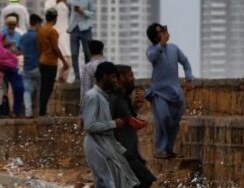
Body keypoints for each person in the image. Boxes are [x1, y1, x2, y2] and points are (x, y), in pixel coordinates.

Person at [82, 61, 138, 188]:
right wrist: (113, 123)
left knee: (117, 181)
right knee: (107, 182)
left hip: (106, 144)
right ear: (104, 77)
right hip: (96, 145)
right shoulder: (93, 96)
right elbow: (89, 126)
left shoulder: (103, 97)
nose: (115, 81)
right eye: (112, 77)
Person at [145, 23, 193, 159]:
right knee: (163, 119)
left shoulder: (174, 48)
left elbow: (185, 62)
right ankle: (160, 149)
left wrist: (188, 79)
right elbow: (152, 57)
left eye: (164, 30)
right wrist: (161, 44)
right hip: (159, 92)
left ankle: (169, 149)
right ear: (155, 37)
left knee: (174, 121)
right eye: (161, 32)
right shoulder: (151, 50)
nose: (165, 33)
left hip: (175, 91)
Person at [110, 64, 157, 188]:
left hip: (130, 150)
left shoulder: (123, 97)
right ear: (121, 77)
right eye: (131, 75)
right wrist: (142, 123)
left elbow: (128, 118)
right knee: (144, 180)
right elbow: (130, 121)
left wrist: (136, 106)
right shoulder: (116, 98)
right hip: (123, 152)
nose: (133, 79)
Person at [37, 8, 69, 116]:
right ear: (55, 18)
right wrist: (64, 61)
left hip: (42, 60)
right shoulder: (52, 31)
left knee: (43, 87)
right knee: (48, 88)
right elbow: (55, 48)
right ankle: (42, 111)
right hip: (50, 63)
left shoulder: (41, 29)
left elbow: (39, 46)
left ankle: (42, 110)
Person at [67, 0, 96, 79]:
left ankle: (88, 75)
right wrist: (68, 26)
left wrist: (83, 11)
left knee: (88, 53)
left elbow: (92, 13)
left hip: (86, 28)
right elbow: (68, 13)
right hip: (74, 28)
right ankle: (77, 76)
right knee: (74, 54)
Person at [44, 0, 73, 82]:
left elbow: (74, 16)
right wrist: (57, 1)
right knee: (56, 62)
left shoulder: (69, 2)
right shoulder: (49, 2)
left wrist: (66, 3)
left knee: (68, 61)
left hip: (66, 36)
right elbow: (48, 13)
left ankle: (62, 81)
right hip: (53, 34)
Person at [19, 13, 43, 117]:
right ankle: (40, 111)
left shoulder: (23, 37)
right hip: (37, 66)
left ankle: (28, 112)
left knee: (27, 91)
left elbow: (19, 50)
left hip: (26, 67)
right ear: (37, 24)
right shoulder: (38, 36)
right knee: (41, 90)